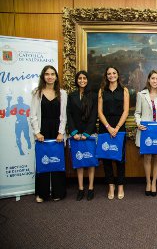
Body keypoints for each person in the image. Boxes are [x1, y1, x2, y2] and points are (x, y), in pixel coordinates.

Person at [30, 65, 67, 203]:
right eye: (47, 74)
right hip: (42, 131)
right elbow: (32, 115)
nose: (50, 76)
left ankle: (58, 192)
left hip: (57, 131)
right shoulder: (37, 93)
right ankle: (42, 193)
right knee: (43, 161)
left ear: (56, 77)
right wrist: (37, 132)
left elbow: (64, 116)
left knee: (57, 161)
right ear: (43, 76)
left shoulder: (63, 93)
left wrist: (61, 132)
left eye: (52, 74)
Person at [135, 70, 157, 197]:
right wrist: (139, 123)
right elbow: (137, 113)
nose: (155, 81)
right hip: (146, 132)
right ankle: (148, 182)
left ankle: (154, 182)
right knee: (147, 157)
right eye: (153, 78)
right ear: (149, 80)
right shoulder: (141, 95)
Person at [98, 66, 129, 200]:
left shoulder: (124, 90)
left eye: (114, 73)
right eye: (109, 73)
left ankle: (120, 185)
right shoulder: (101, 91)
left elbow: (126, 111)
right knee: (106, 158)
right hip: (105, 127)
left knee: (120, 159)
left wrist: (116, 127)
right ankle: (111, 185)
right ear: (106, 76)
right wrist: (108, 127)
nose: (111, 75)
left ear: (118, 75)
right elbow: (100, 112)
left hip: (119, 127)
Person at [67, 70, 98, 201]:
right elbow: (69, 115)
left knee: (90, 161)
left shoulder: (94, 95)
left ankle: (90, 188)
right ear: (76, 80)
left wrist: (86, 133)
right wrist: (73, 132)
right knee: (79, 161)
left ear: (88, 80)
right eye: (79, 78)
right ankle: (80, 188)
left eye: (84, 78)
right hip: (75, 134)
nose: (82, 80)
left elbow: (94, 115)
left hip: (89, 133)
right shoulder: (72, 95)